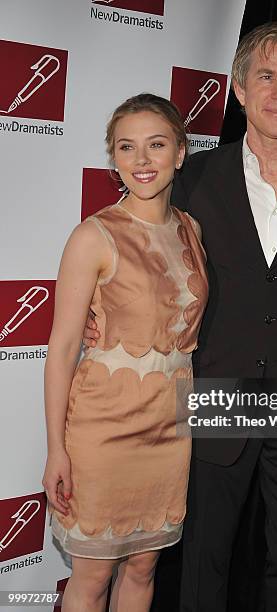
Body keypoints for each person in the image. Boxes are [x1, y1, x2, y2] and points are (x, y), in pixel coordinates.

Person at [84, 21, 277, 612]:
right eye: (266, 76)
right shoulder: (193, 177)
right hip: (217, 394)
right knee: (202, 562)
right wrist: (103, 313)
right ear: (240, 90)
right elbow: (144, 257)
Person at [42, 93, 208, 612]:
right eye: (126, 147)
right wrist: (56, 449)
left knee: (143, 567)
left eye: (156, 145)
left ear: (180, 152)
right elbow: (63, 346)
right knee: (91, 579)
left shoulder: (191, 230)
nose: (142, 161)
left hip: (169, 427)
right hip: (103, 428)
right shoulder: (93, 236)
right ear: (113, 158)